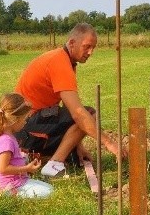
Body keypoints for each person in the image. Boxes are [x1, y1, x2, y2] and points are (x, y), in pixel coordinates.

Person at [14, 23, 125, 178]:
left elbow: (67, 108)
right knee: (89, 113)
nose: (90, 52)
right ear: (72, 43)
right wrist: (110, 143)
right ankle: (53, 165)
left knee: (74, 157)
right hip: (25, 131)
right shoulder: (60, 63)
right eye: (87, 46)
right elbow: (78, 114)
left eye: (93, 47)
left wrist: (78, 145)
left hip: (26, 128)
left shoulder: (65, 60)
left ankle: (41, 158)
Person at [0, 93, 54, 198]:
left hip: (19, 180)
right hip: (12, 185)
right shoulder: (6, 141)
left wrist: (22, 157)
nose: (25, 122)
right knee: (50, 193)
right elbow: (2, 169)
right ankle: (10, 193)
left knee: (50, 188)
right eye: (24, 119)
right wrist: (26, 168)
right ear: (14, 120)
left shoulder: (6, 136)